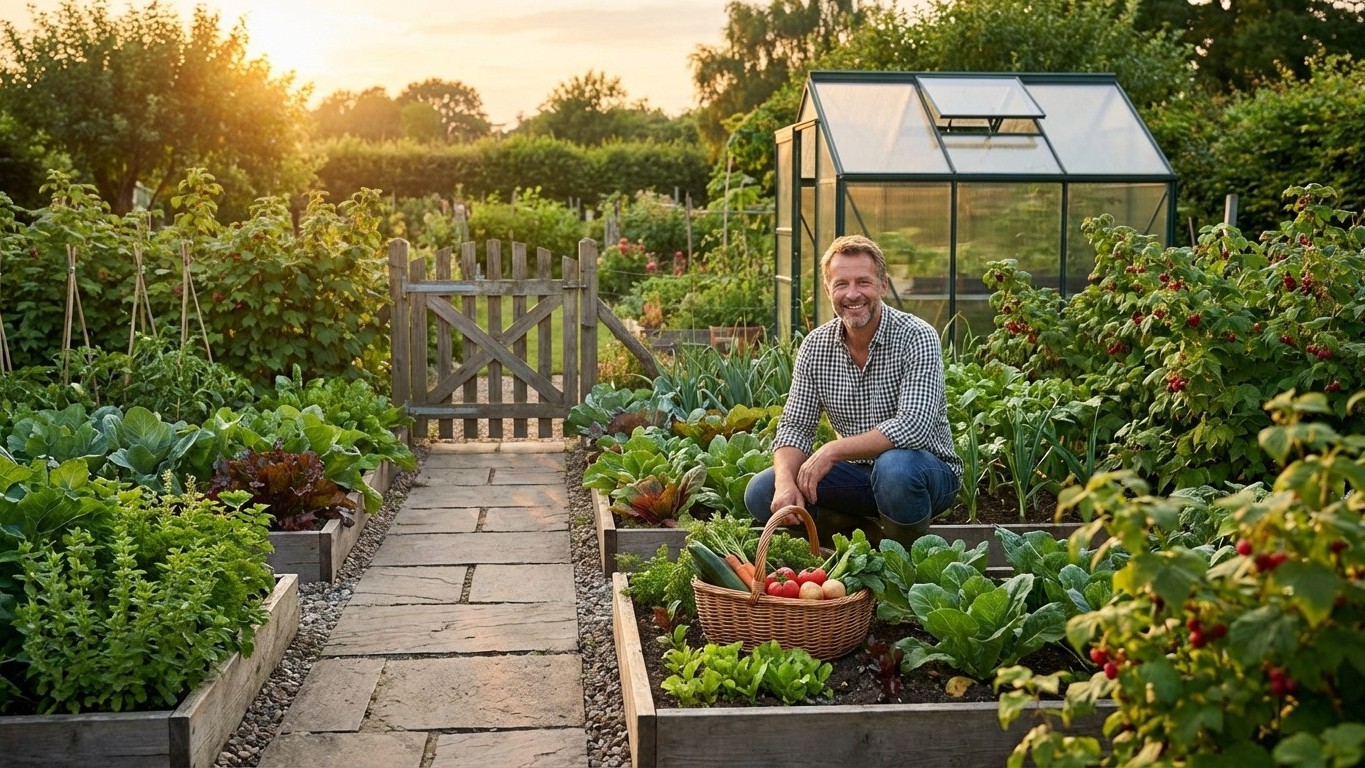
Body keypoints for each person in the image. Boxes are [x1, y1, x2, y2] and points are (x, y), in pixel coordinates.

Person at [743, 234, 962, 548]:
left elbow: (912, 428)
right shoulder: (816, 347)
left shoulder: (917, 336)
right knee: (761, 491)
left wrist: (832, 450)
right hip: (858, 479)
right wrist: (784, 482)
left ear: (883, 285)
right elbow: (795, 427)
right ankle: (863, 539)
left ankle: (906, 560)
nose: (852, 294)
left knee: (894, 467)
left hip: (923, 475)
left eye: (864, 282)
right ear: (827, 289)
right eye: (841, 284)